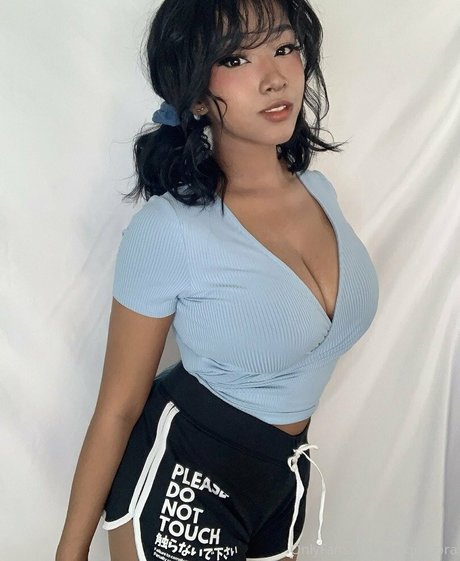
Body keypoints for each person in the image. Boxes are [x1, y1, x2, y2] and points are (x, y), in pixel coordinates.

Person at [56, 0, 379, 560]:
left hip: (282, 481)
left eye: (284, 48)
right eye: (236, 59)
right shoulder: (169, 230)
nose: (274, 77)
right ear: (197, 94)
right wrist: (69, 553)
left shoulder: (320, 193)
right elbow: (118, 407)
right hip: (185, 482)